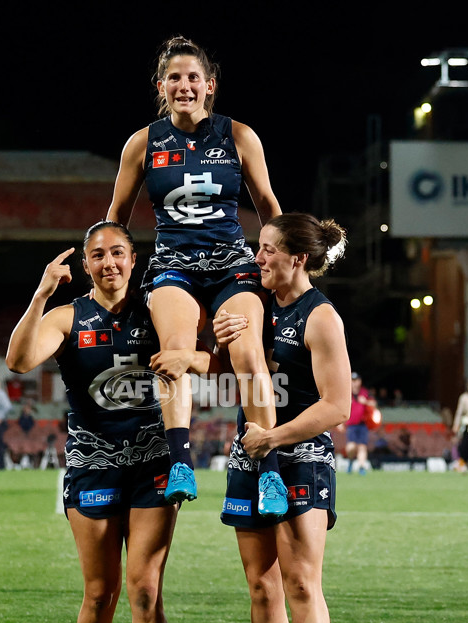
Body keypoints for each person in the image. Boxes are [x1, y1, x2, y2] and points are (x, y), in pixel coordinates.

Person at [6, 221, 212, 623]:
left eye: (118, 252)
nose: (109, 263)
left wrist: (200, 354)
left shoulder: (159, 308)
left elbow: (199, 364)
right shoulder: (68, 316)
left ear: (134, 257)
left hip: (153, 464)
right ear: (86, 263)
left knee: (146, 587)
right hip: (93, 464)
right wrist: (41, 293)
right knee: (100, 592)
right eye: (97, 255)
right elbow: (18, 361)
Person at [106, 34, 287, 518]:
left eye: (192, 78)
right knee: (173, 356)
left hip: (233, 263)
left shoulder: (240, 135)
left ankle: (268, 468)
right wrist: (111, 278)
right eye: (174, 78)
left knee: (249, 354)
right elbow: (115, 221)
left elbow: (269, 209)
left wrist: (281, 265)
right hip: (173, 265)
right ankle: (181, 463)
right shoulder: (142, 143)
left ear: (209, 85)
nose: (183, 86)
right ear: (160, 86)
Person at [214, 212, 351, 623]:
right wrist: (216, 344)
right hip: (252, 452)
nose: (258, 257)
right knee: (262, 586)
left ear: (297, 258)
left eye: (268, 249)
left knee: (300, 583)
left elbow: (336, 405)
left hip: (301, 454)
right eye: (258, 246)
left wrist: (276, 437)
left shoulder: (321, 318)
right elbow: (229, 371)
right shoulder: (253, 306)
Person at [342, 372, 377, 475]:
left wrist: (365, 402)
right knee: (351, 446)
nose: (354, 383)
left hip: (363, 424)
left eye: (356, 380)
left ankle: (361, 467)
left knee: (362, 446)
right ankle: (350, 460)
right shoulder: (346, 394)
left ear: (360, 381)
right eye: (352, 380)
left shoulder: (365, 393)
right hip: (351, 425)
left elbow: (374, 404)